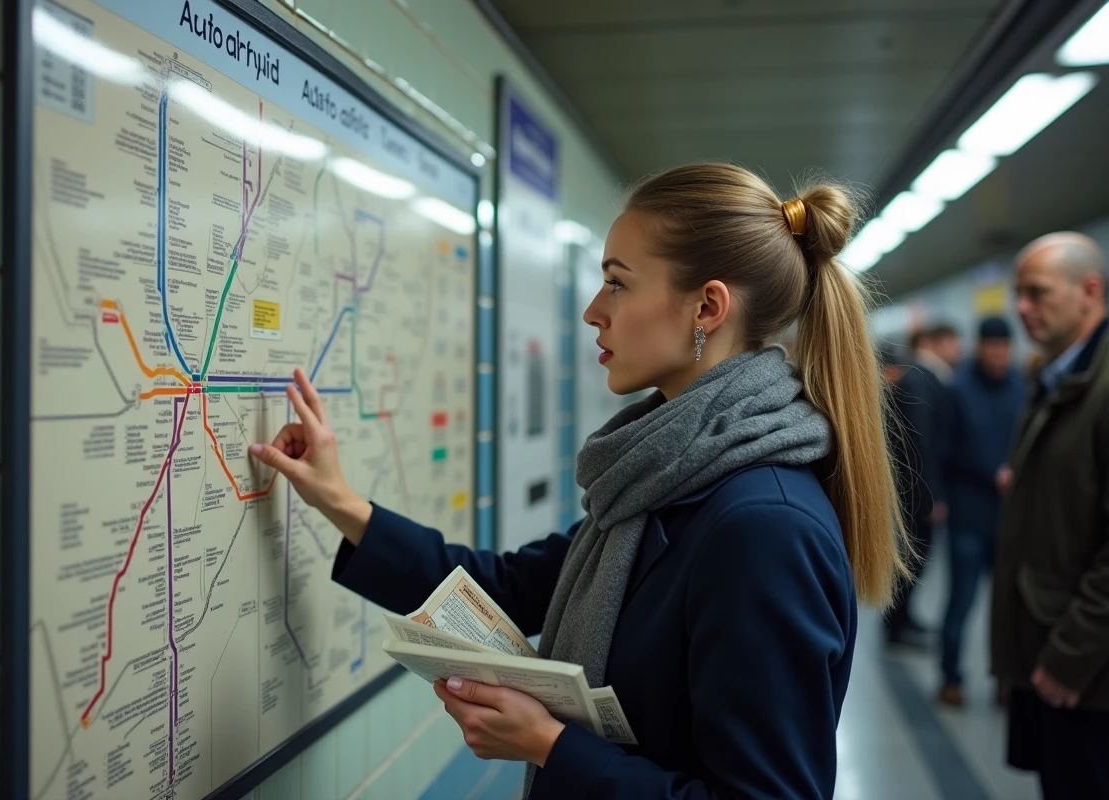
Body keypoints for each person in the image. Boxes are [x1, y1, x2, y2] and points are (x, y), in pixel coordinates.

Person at [250, 163, 909, 799]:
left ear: (707, 306)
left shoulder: (762, 526)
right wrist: (338, 501)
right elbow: (504, 590)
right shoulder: (666, 480)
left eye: (617, 284)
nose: (594, 311)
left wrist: (550, 746)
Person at [992, 232, 1109, 798]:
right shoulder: (1057, 376)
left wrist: (1070, 657)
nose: (1021, 308)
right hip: (1047, 644)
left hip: (1086, 669)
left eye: (1036, 293)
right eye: (1018, 294)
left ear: (1089, 291)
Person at [937, 317, 1024, 707]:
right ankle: (951, 678)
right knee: (962, 601)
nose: (1000, 356)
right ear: (980, 347)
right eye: (993, 348)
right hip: (969, 515)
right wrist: (992, 473)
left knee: (1008, 607)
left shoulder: (1022, 387)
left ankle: (1006, 680)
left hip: (1009, 518)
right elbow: (946, 450)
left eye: (1005, 348)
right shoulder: (958, 389)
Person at [882, 341, 948, 648]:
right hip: (914, 493)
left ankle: (902, 618)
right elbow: (920, 444)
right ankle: (897, 624)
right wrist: (931, 495)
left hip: (908, 489)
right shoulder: (912, 383)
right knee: (912, 558)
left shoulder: (905, 384)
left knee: (909, 558)